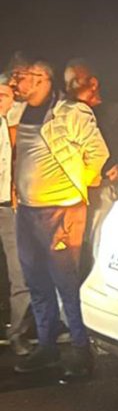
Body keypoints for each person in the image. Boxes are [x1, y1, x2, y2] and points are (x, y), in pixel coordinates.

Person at [8, 56, 109, 377]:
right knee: (36, 282)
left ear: (42, 79)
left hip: (62, 211)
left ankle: (81, 349)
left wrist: (75, 190)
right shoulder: (17, 111)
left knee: (66, 283)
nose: (16, 81)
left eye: (23, 76)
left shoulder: (70, 112)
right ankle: (47, 346)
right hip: (27, 211)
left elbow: (98, 154)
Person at [64, 59, 118, 270]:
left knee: (97, 246)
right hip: (70, 192)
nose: (69, 87)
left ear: (93, 83)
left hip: (101, 190)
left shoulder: (112, 112)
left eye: (74, 81)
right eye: (67, 82)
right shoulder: (66, 113)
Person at [0, 74, 34, 355]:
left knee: (19, 272)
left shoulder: (17, 130)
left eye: (4, 95)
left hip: (8, 207)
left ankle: (17, 334)